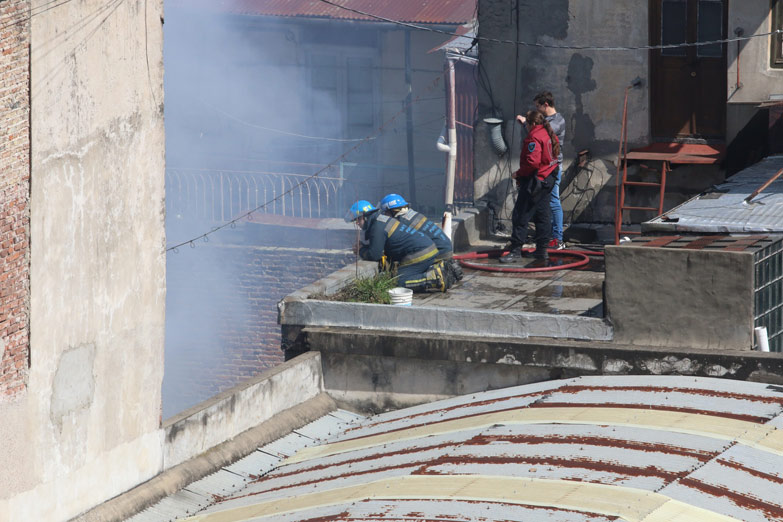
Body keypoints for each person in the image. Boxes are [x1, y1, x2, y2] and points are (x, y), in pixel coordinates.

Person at [344, 200, 450, 292]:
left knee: (397, 281)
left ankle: (435, 278)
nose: (357, 223)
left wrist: (361, 250)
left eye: (358, 219)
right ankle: (436, 269)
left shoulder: (376, 228)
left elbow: (374, 255)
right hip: (427, 248)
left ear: (364, 216)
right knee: (403, 273)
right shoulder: (380, 221)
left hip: (421, 253)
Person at [500, 110, 560, 264]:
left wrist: (519, 174)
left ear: (533, 124)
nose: (525, 127)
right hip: (549, 178)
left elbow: (533, 162)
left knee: (521, 214)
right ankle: (541, 250)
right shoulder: (548, 132)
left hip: (536, 180)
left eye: (527, 124)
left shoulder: (534, 137)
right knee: (542, 215)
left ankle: (515, 251)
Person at [517, 91, 566, 249]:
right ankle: (546, 238)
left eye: (538, 106)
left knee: (552, 202)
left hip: (551, 168)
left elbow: (542, 133)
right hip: (544, 168)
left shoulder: (557, 121)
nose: (536, 109)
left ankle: (557, 238)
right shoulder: (546, 120)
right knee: (544, 205)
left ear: (546, 104)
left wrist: (526, 122)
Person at [379, 193, 463, 282]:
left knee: (400, 276)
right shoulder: (412, 214)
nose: (385, 215)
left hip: (438, 251)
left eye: (386, 212)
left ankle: (435, 276)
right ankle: (447, 266)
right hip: (446, 248)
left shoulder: (401, 222)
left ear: (392, 211)